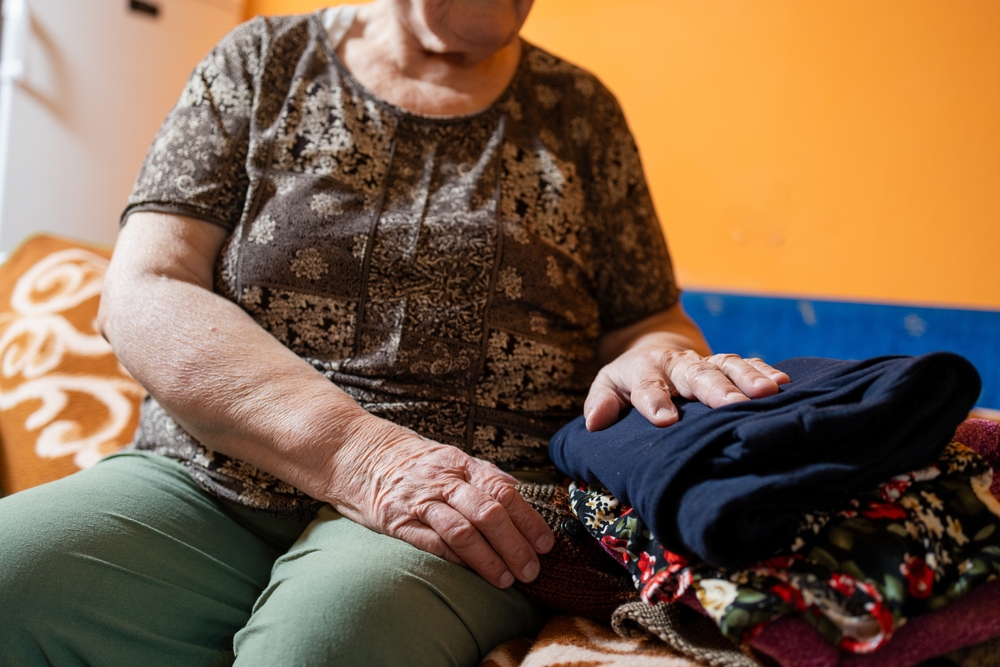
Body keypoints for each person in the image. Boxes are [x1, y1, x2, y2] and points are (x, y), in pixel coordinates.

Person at [0, 1, 789, 665]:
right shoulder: (263, 60)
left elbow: (648, 319)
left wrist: (661, 359)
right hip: (212, 481)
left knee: (325, 641)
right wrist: (361, 455)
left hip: (465, 504)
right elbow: (145, 286)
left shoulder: (580, 113)